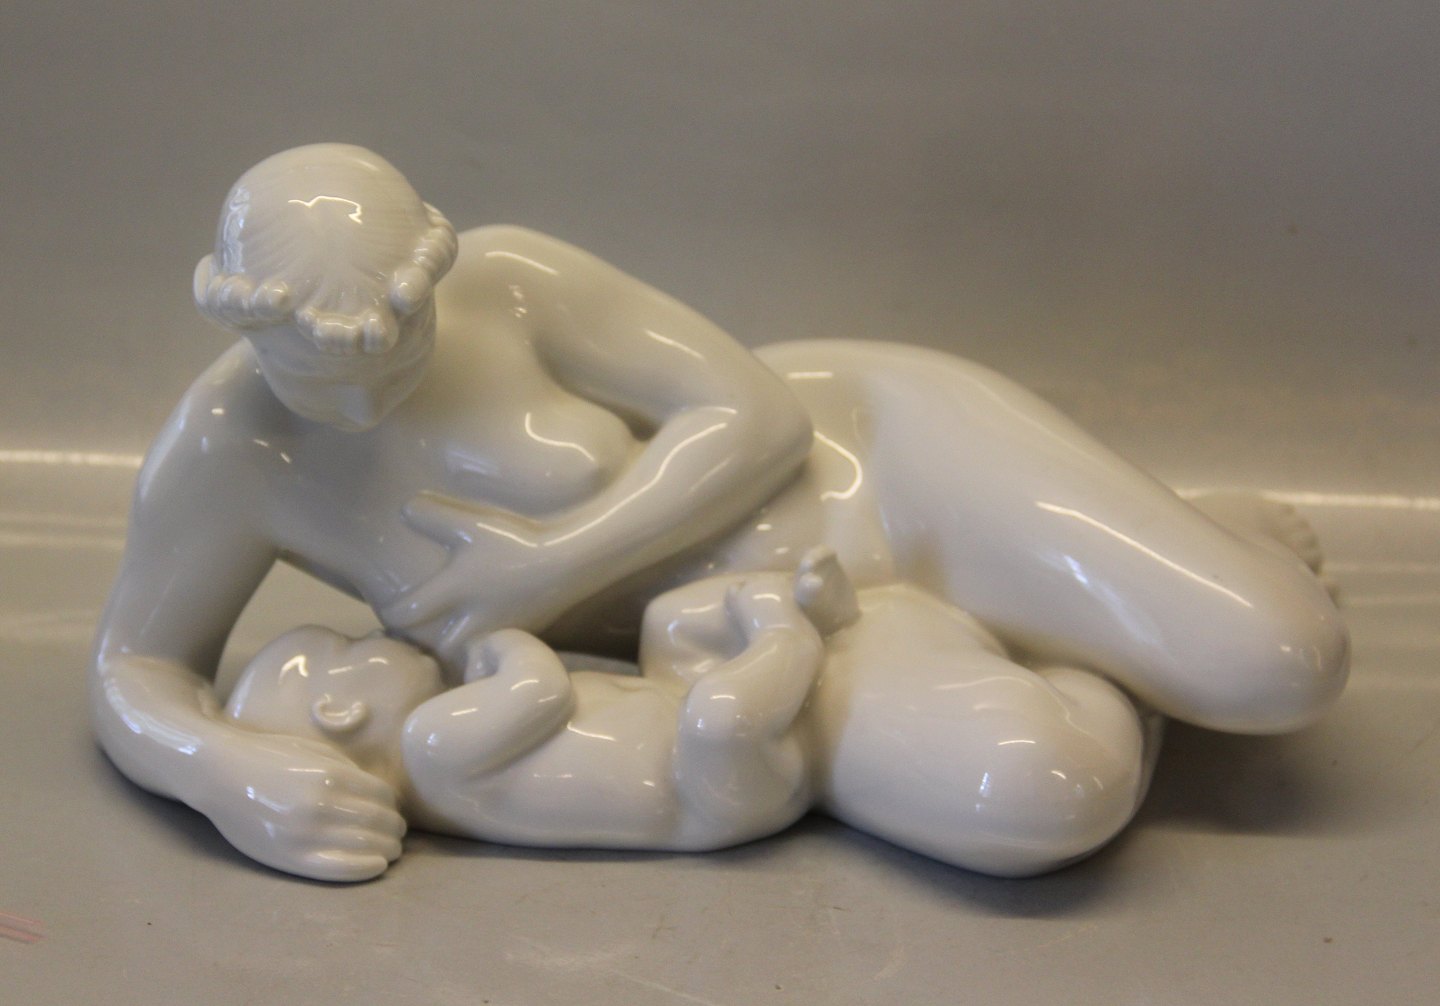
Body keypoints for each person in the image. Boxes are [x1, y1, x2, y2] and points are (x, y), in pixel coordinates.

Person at [91, 144, 1348, 881]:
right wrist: (225, 772)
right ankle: (1085, 637)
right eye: (322, 377)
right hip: (763, 645)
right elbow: (135, 665)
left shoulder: (509, 283)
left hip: (876, 462)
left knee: (1281, 665)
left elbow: (757, 415)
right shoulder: (224, 451)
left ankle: (1145, 556)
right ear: (239, 320)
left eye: (397, 351)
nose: (368, 399)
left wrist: (549, 566)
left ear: (434, 272)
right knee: (1043, 802)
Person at [225, 549, 1149, 878]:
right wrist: (502, 642)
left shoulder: (439, 748)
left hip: (672, 719)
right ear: (341, 710)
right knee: (722, 717)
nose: (378, 642)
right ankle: (789, 626)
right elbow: (543, 690)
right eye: (356, 651)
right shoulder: (429, 746)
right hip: (712, 792)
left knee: (672, 622)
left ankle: (809, 616)